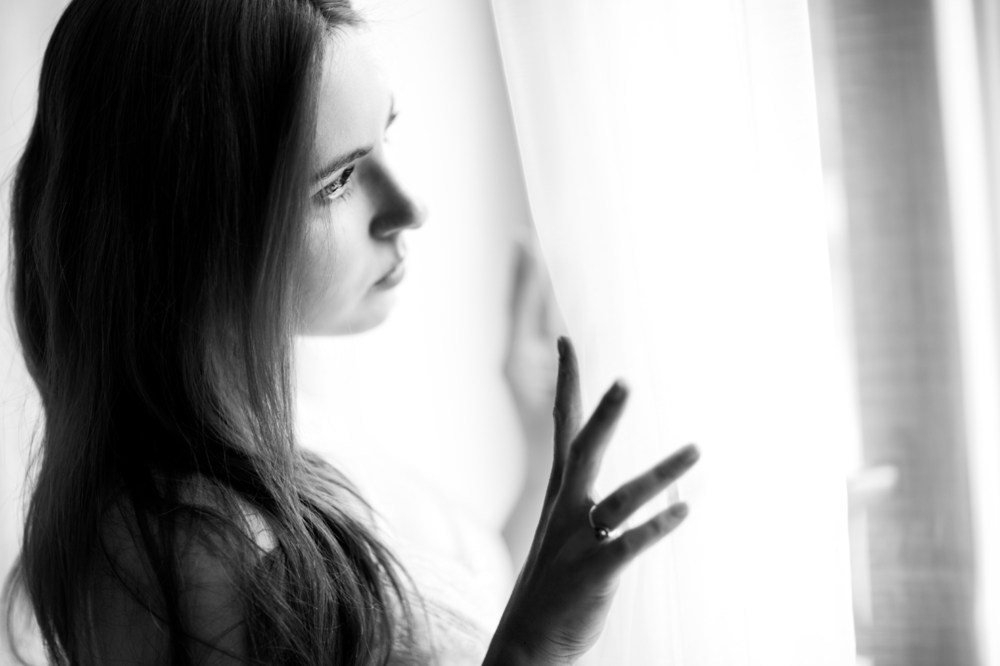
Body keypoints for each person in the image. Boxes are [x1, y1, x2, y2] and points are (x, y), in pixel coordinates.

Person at [1, 0, 700, 664]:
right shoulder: (189, 562)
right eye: (337, 181)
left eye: (385, 136)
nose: (409, 206)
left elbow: (444, 640)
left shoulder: (271, 445)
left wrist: (532, 471)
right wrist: (541, 648)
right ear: (190, 235)